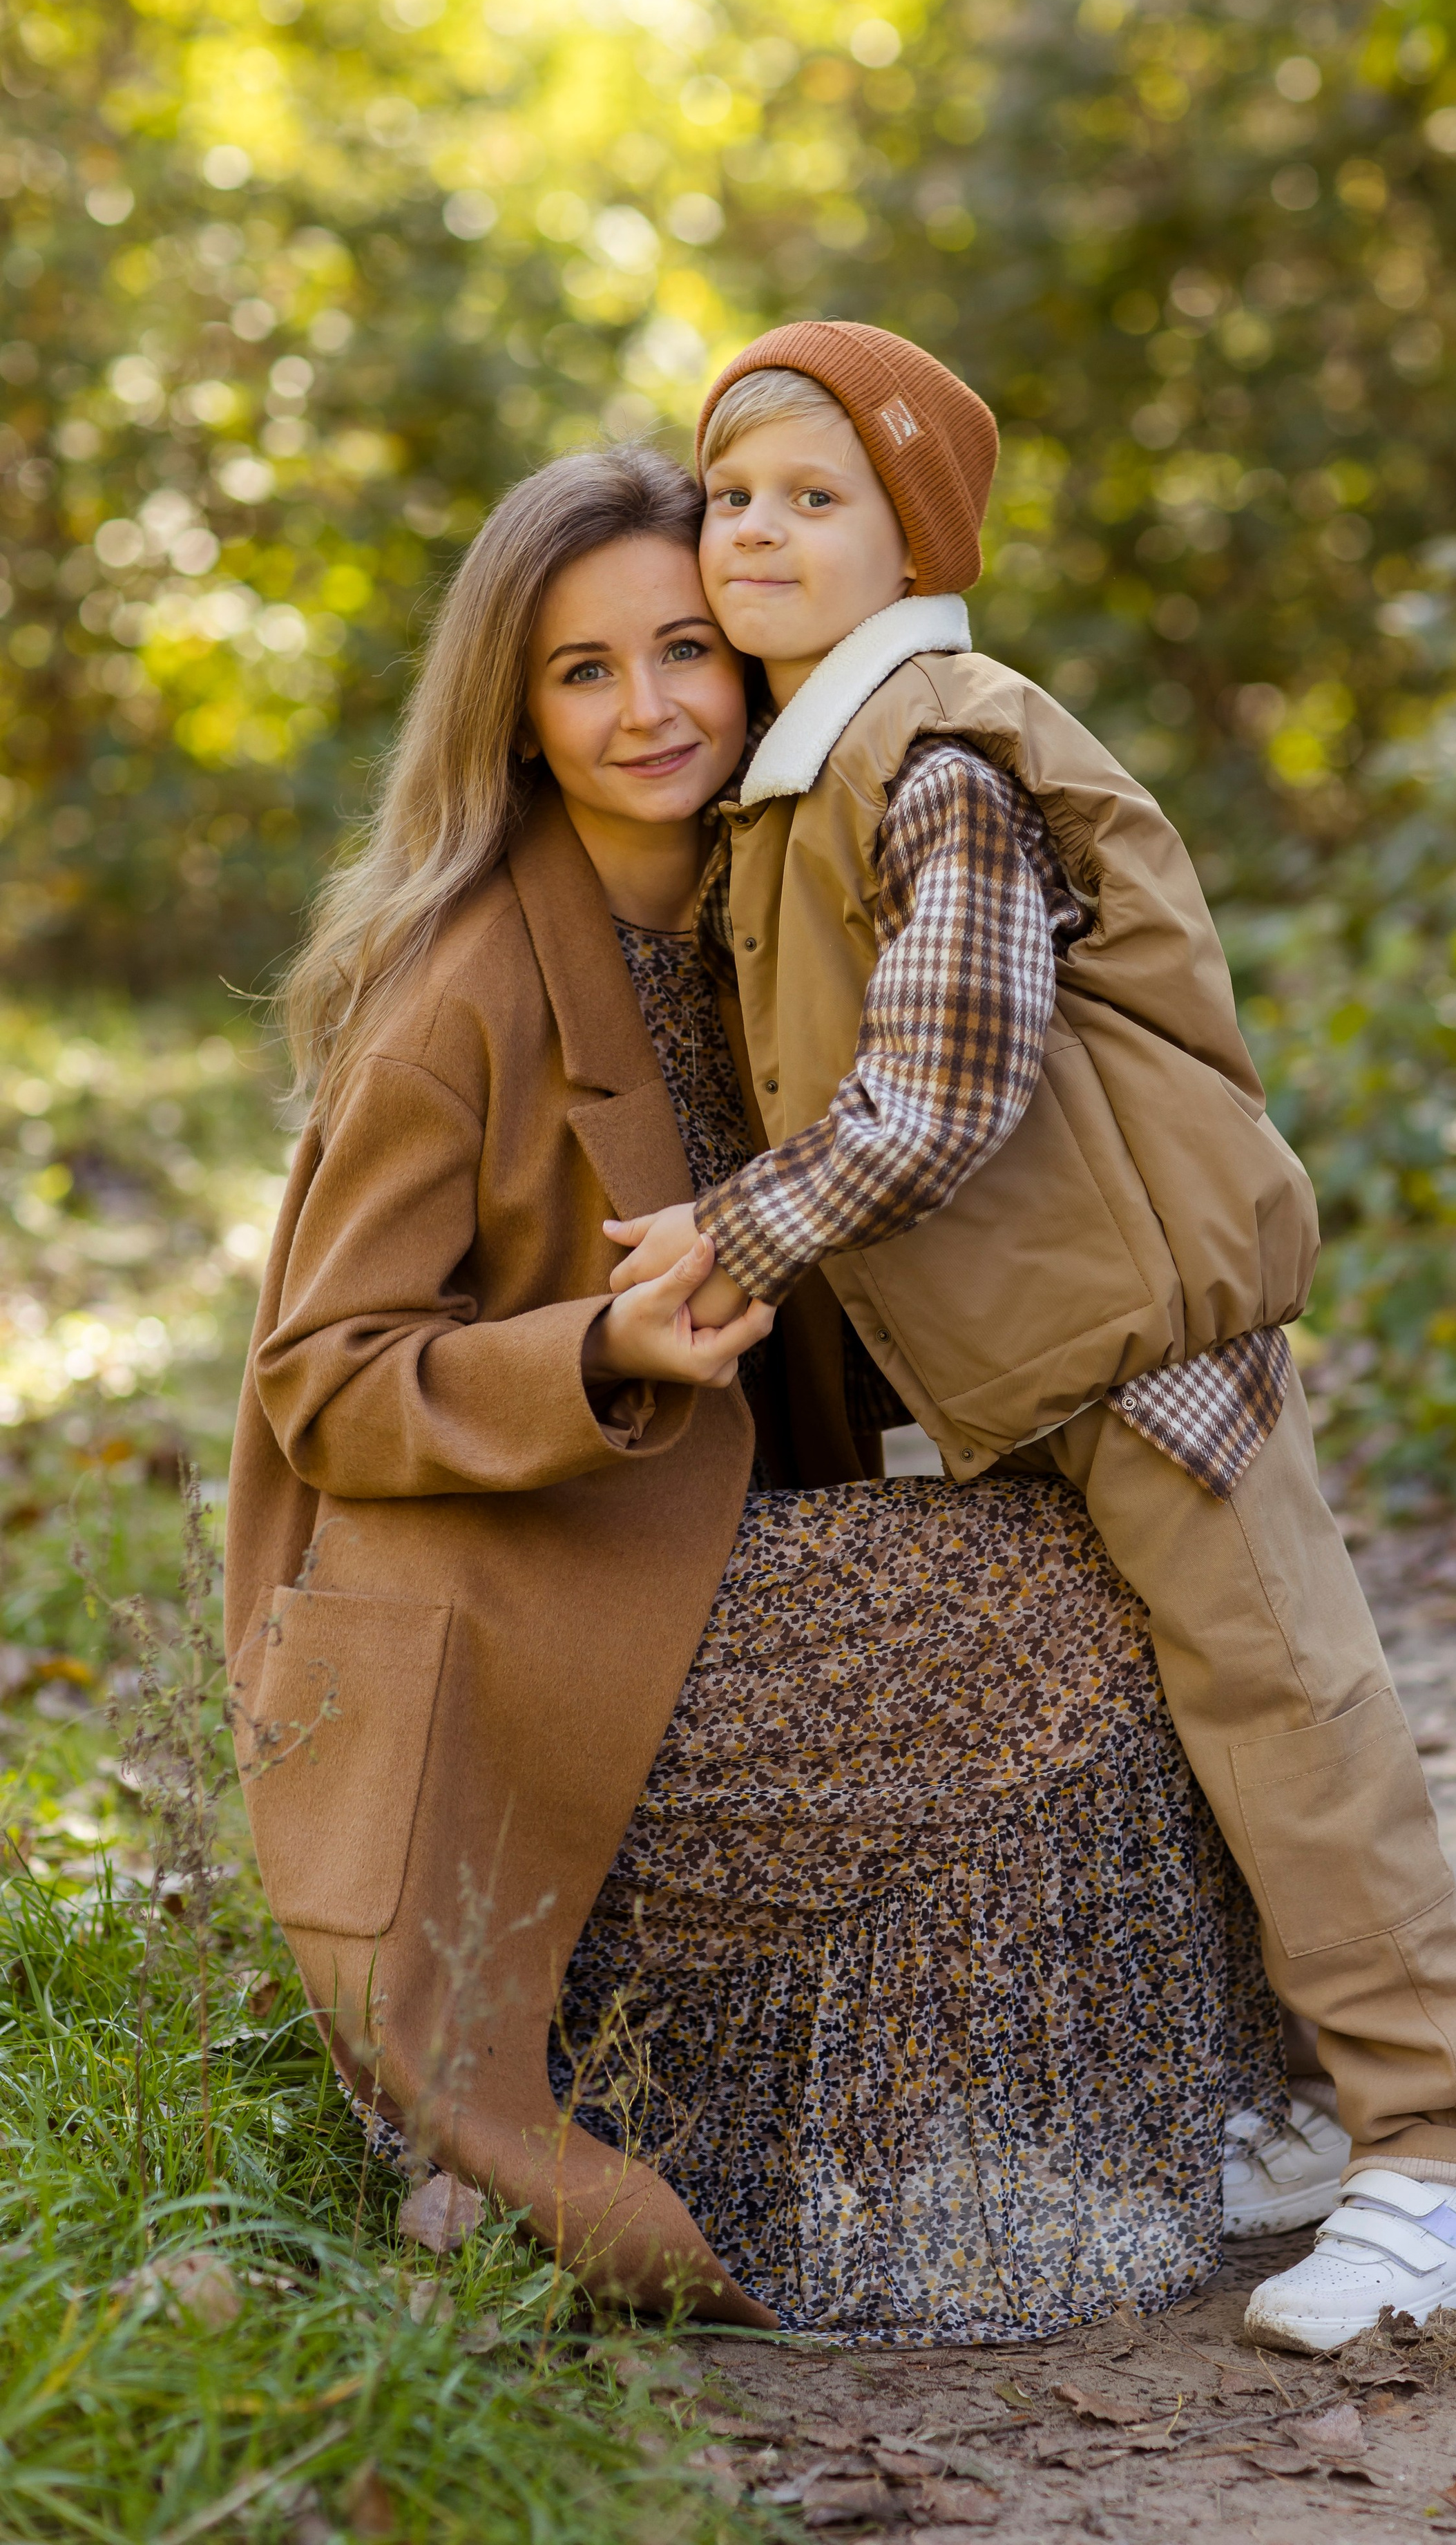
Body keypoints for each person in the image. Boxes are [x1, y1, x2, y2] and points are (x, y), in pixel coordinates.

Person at [224, 443, 1291, 2343]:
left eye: (687, 649)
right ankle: (896, 2158)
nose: (648, 709)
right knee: (1029, 1623)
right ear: (517, 712)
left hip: (706, 1545)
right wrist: (600, 1350)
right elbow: (320, 1382)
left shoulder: (784, 889)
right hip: (516, 1596)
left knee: (1134, 1549)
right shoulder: (461, 984)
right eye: (582, 670)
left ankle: (1047, 2120)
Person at [604, 324, 1456, 2352]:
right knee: (1177, 1737)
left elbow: (946, 1082)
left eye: (814, 497)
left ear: (914, 534)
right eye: (734, 496)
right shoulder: (805, 775)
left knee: (1288, 1713)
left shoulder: (939, 751)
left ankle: (1455, 2161)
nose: (755, 532)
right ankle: (1299, 2112)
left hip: (1146, 1333)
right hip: (1044, 1352)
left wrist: (733, 1235)